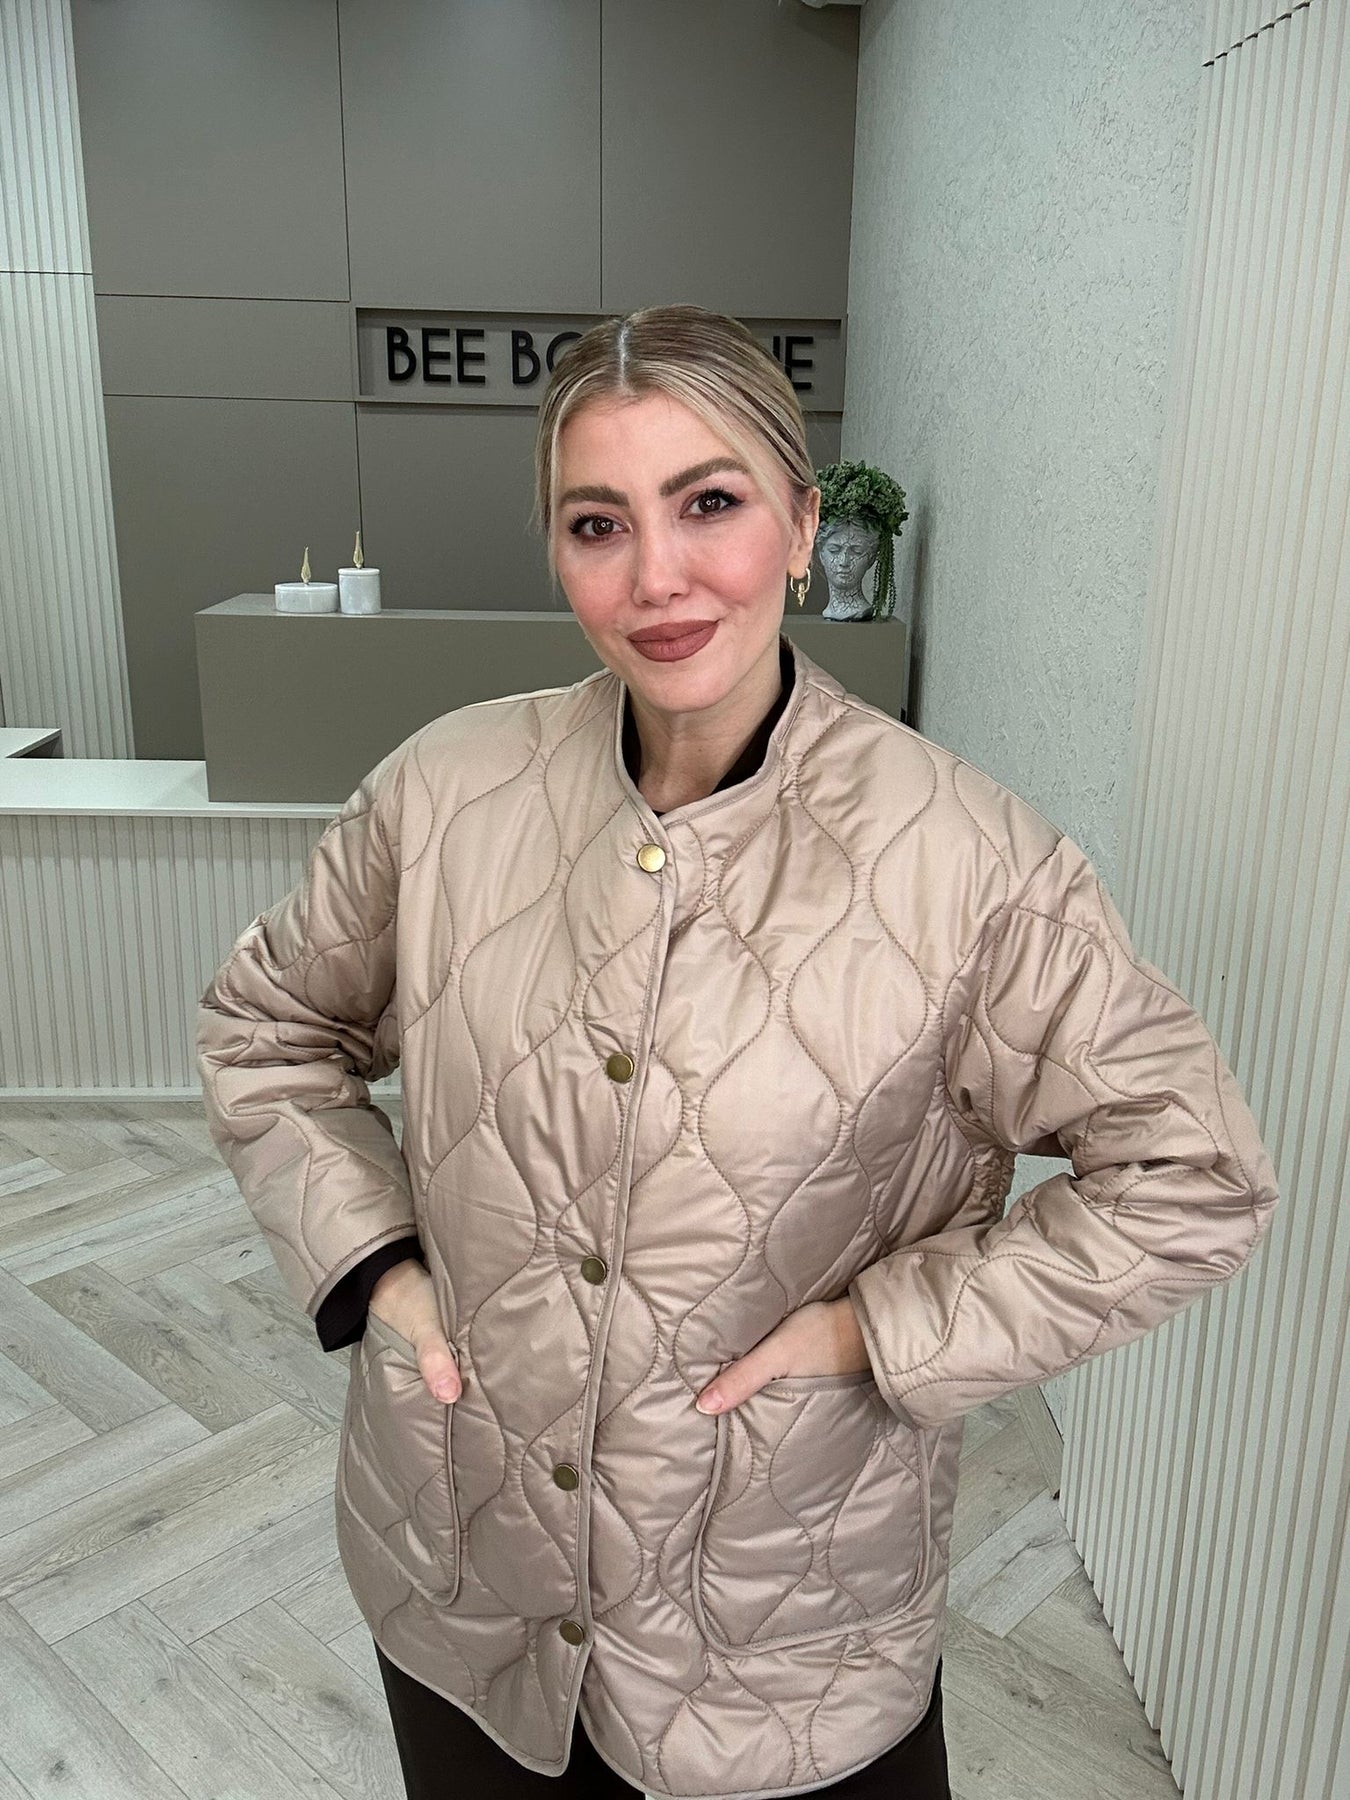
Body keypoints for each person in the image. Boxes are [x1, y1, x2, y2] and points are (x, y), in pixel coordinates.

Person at [196, 304, 1280, 1800]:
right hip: (461, 1575)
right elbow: (268, 1028)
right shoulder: (442, 794)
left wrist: (875, 1334)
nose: (656, 576)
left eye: (708, 503)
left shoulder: (972, 866)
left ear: (799, 523)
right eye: (598, 524)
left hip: (786, 1641)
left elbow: (1194, 1173)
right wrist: (378, 1269)